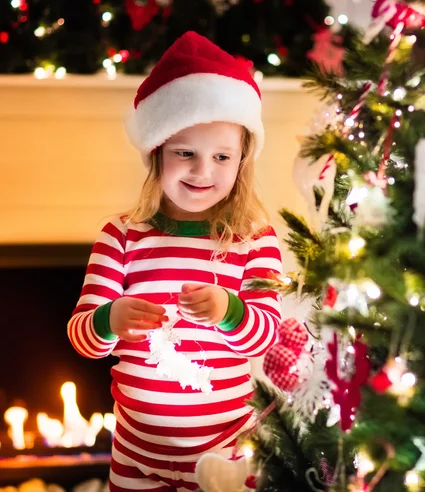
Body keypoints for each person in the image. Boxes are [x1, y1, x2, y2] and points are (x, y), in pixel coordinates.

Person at [67, 32, 283, 492]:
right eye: (186, 153)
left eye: (221, 156)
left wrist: (230, 310)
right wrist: (110, 319)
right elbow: (83, 337)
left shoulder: (254, 240)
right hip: (135, 457)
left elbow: (267, 336)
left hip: (227, 454)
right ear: (157, 154)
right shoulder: (121, 236)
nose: (202, 171)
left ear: (241, 161)